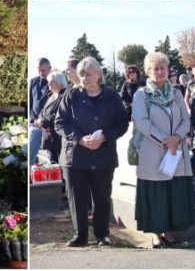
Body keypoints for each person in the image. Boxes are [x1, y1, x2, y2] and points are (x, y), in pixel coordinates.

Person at [55, 57, 127, 247]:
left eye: (88, 74)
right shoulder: (71, 95)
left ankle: (102, 234)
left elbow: (122, 123)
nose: (84, 78)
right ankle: (80, 236)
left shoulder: (112, 96)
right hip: (75, 155)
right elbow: (60, 123)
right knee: (77, 198)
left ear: (98, 75)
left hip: (103, 155)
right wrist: (79, 138)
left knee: (102, 197)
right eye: (81, 75)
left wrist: (104, 137)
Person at [132, 52, 194, 246]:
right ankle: (156, 233)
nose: (159, 72)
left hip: (175, 151)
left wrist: (176, 138)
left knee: (172, 191)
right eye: (155, 68)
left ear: (168, 71)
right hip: (153, 151)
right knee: (156, 193)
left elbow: (186, 119)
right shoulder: (141, 95)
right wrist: (165, 140)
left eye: (162, 68)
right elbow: (141, 122)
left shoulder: (176, 93)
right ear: (148, 72)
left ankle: (169, 230)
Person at [38, 71, 69, 165]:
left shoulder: (65, 96)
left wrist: (44, 122)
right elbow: (43, 111)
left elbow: (60, 114)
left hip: (58, 136)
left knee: (62, 165)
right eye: (49, 82)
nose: (49, 84)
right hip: (49, 137)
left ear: (60, 83)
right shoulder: (50, 96)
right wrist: (40, 120)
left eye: (52, 82)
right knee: (53, 165)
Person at [29, 58, 52, 164]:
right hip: (35, 124)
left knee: (51, 155)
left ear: (50, 68)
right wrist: (33, 120)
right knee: (30, 152)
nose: (41, 73)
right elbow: (30, 102)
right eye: (39, 70)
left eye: (43, 70)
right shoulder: (33, 81)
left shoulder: (55, 82)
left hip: (49, 125)